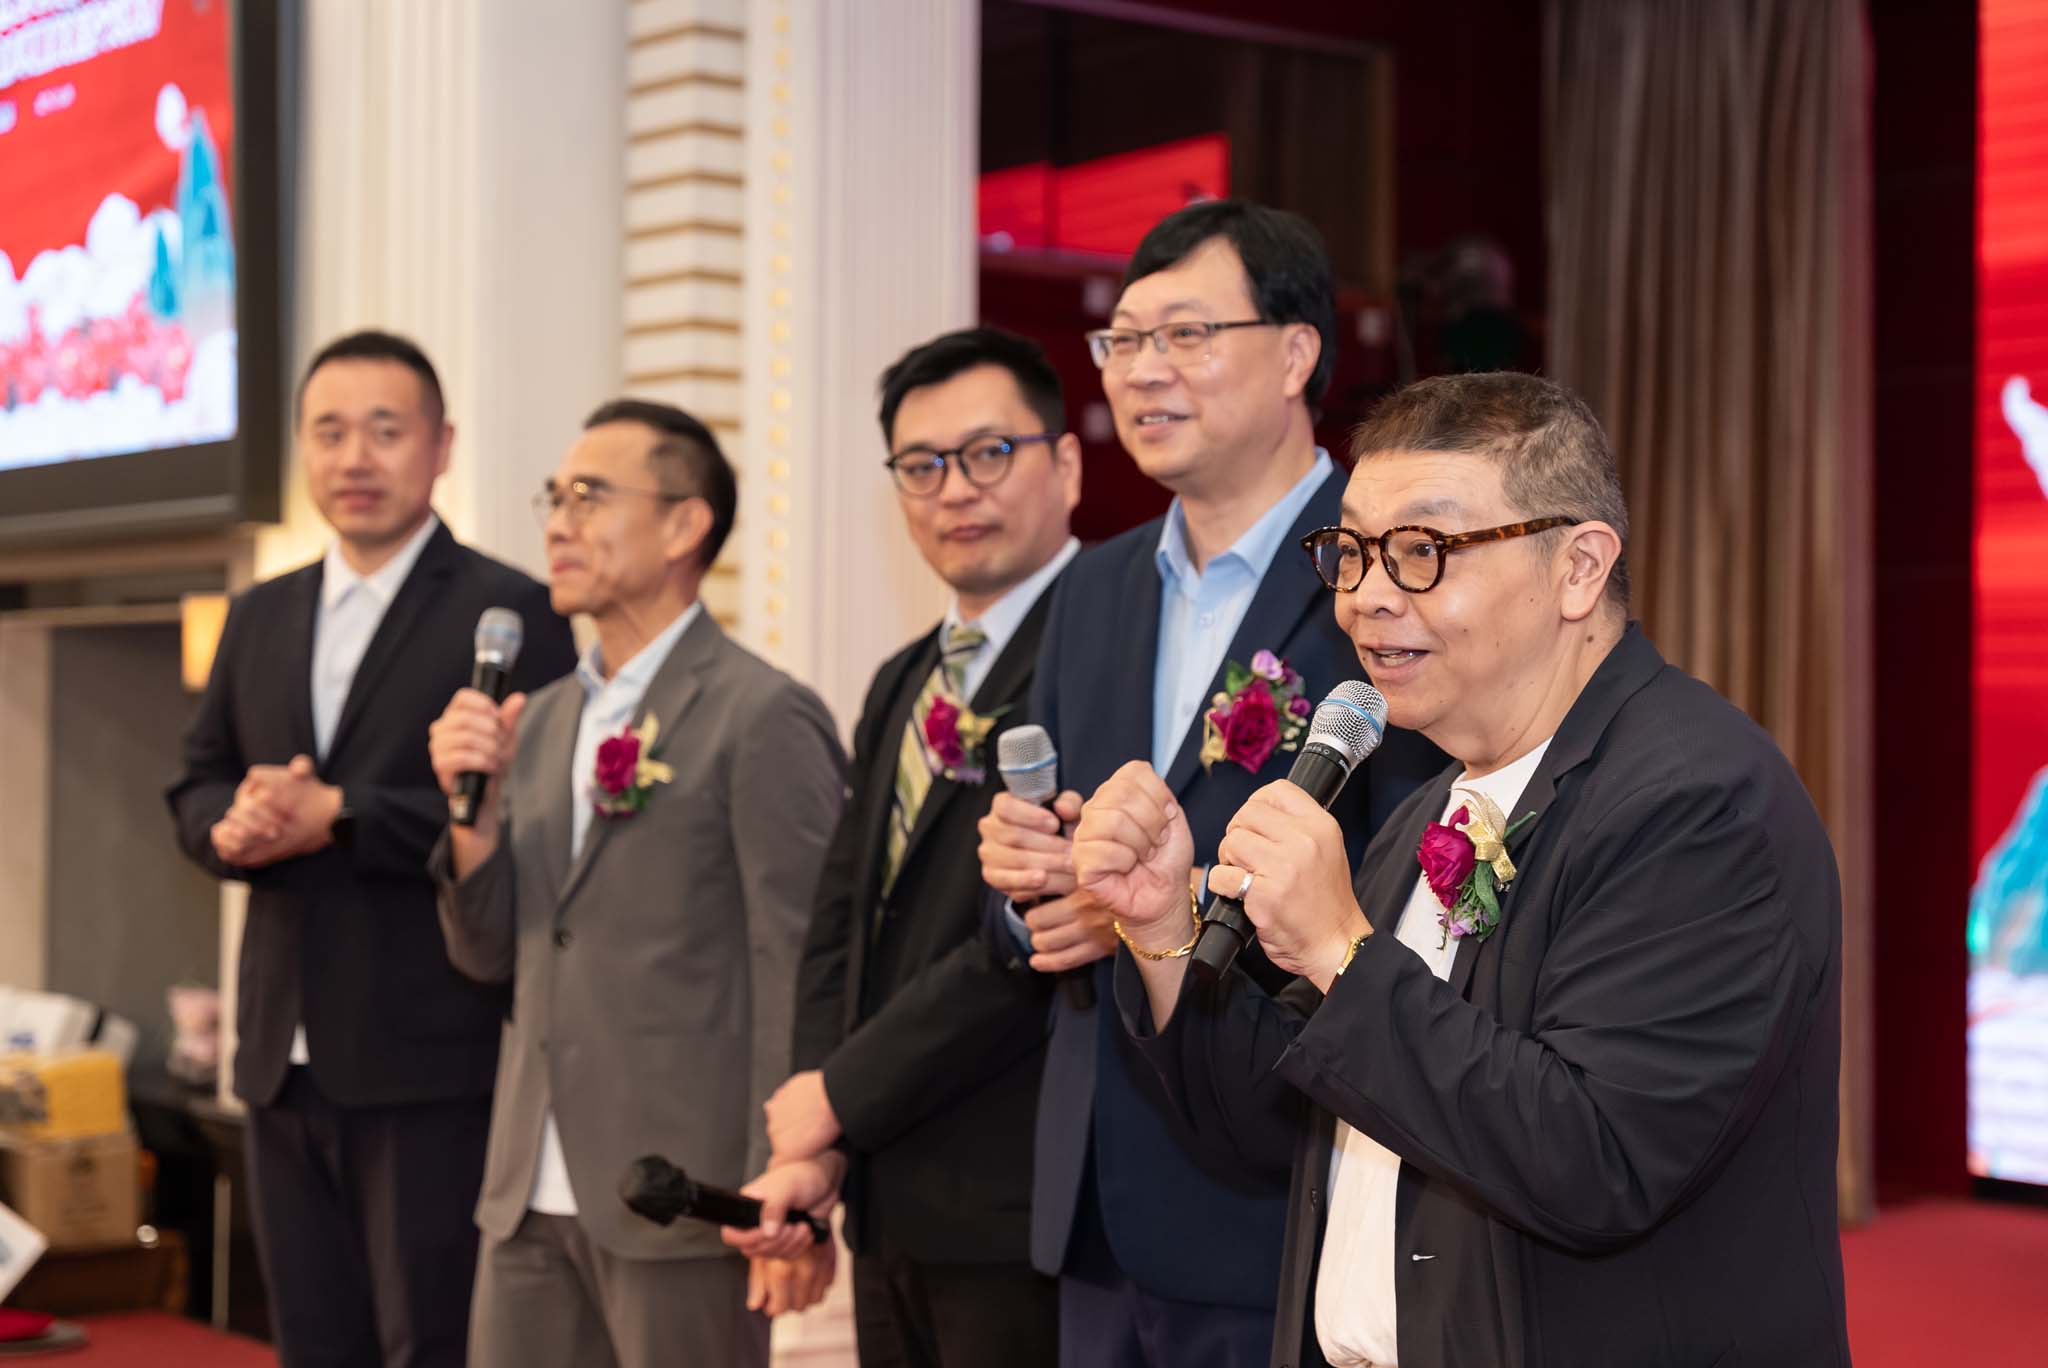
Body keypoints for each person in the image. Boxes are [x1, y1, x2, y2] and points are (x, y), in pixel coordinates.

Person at [1075, 371, 1851, 1367]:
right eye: (1352, 553)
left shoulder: (1696, 804)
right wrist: (1162, 931)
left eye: (1421, 552)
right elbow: (1283, 1126)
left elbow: (1596, 1161)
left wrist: (1341, 950)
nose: (1365, 597)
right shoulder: (1425, 807)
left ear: (1578, 569)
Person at [973, 200, 1445, 1367]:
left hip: (1279, 1182)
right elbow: (1040, 875)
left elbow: (1422, 881)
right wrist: (1029, 893)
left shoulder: (1387, 574)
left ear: (1294, 354)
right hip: (1096, 1197)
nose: (1142, 371)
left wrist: (1171, 914)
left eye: (1184, 334)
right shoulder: (1092, 588)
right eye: (1122, 340)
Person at [166, 330, 577, 1368]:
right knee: (311, 1341)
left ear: (441, 447)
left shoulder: (512, 611)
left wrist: (342, 814)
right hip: (278, 1054)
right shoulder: (259, 613)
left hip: (430, 1053)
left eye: (385, 432)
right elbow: (196, 779)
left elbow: (531, 813)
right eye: (330, 432)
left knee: (429, 1342)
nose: (355, 458)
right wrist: (230, 826)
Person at [427, 398, 844, 1368]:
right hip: (525, 1183)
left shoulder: (760, 715)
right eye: (553, 498)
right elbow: (489, 954)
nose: (557, 524)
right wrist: (473, 821)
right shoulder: (537, 720)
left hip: (682, 1190)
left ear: (684, 524)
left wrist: (788, 1173)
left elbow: (798, 962)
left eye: (589, 496)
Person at [728, 328, 1079, 1365]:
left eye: (988, 454)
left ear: (1064, 462)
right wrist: (819, 1143)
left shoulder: (1100, 647)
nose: (953, 489)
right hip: (889, 1200)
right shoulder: (904, 675)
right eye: (921, 465)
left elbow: (1030, 933)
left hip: (1020, 1201)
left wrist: (840, 1095)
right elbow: (843, 917)